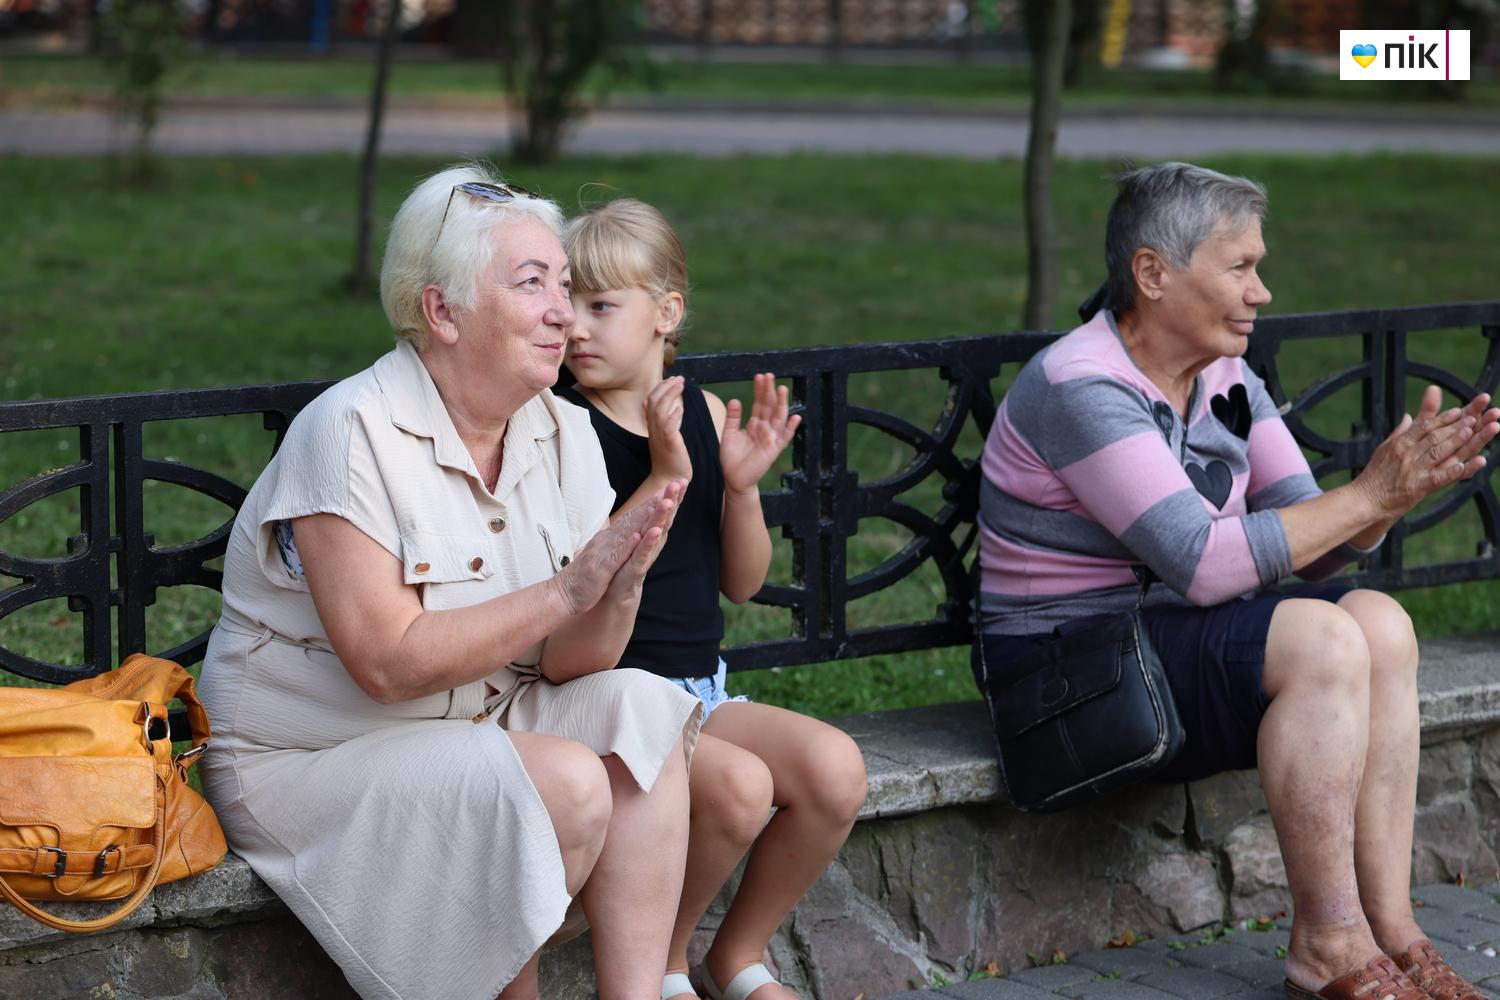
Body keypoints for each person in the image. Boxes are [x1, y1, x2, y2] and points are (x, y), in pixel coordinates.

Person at [973, 162, 1500, 1000]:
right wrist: (1366, 494)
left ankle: (1390, 929)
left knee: (1381, 623)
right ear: (1153, 273)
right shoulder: (1083, 384)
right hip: (1065, 675)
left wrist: (1389, 498)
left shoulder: (1225, 376)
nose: (1261, 291)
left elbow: (1313, 544)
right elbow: (1206, 562)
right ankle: (1328, 943)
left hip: (1160, 647)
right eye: (1240, 266)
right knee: (1322, 638)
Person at [197, 165, 706, 1000]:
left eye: (567, 287)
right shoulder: (350, 431)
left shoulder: (565, 433)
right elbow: (387, 665)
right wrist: (565, 592)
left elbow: (573, 667)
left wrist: (619, 584)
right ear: (442, 311)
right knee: (566, 783)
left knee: (642, 713)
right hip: (318, 755)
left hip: (477, 715)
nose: (562, 314)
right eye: (532, 284)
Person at [557, 198, 868, 1000]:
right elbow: (581, 583)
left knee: (835, 771)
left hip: (698, 689)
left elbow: (745, 582)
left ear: (667, 313)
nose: (576, 329)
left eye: (600, 307)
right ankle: (659, 964)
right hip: (613, 697)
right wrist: (661, 475)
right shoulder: (562, 427)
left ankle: (737, 957)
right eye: (567, 307)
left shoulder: (694, 410)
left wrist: (737, 488)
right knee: (740, 788)